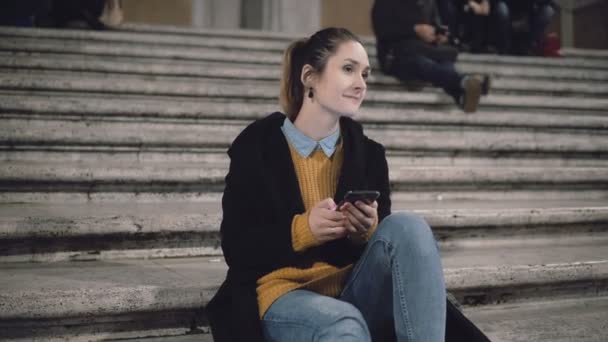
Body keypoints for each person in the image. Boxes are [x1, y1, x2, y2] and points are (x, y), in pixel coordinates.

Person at [206, 27, 490, 342]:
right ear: (309, 77)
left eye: (365, 75)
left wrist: (367, 232)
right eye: (348, 69)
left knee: (409, 227)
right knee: (343, 322)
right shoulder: (257, 147)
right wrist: (303, 230)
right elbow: (237, 246)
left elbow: (382, 247)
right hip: (284, 296)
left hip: (355, 289)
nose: (360, 84)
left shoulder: (368, 154)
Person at [372, 0, 490, 114]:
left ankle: (462, 94)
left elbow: (435, 24)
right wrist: (414, 30)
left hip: (425, 49)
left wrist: (438, 36)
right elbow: (382, 29)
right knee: (423, 64)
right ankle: (464, 82)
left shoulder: (428, 2)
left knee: (445, 62)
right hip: (395, 55)